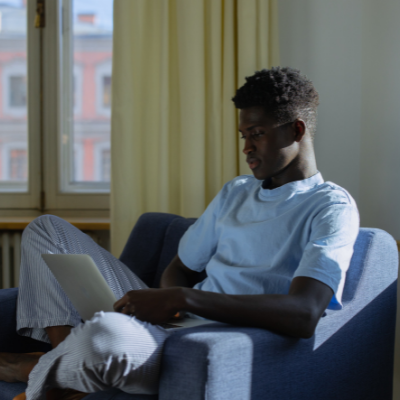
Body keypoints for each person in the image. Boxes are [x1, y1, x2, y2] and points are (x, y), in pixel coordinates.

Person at [0, 67, 359, 400]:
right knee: (45, 228)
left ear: (296, 130)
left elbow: (304, 313)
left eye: (257, 134)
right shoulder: (236, 192)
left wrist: (182, 300)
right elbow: (181, 269)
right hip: (173, 324)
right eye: (243, 136)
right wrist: (167, 304)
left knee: (105, 335)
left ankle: (40, 370)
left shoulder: (330, 207)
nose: (247, 148)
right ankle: (67, 362)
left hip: (209, 339)